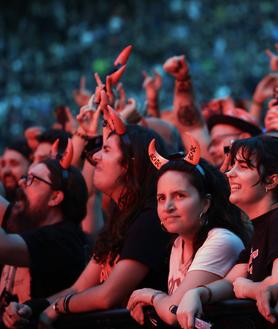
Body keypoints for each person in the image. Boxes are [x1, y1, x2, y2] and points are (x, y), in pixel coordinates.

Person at [3, 109, 170, 328]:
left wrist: (58, 308)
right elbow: (79, 288)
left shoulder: (149, 220)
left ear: (129, 164)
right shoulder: (120, 217)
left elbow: (107, 295)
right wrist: (32, 307)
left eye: (107, 150)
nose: (96, 157)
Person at [127, 134, 249, 326]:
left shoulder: (222, 240)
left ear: (206, 203)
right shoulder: (178, 244)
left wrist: (151, 296)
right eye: (161, 198)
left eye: (179, 195)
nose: (167, 207)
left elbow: (173, 312)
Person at [175, 135, 278, 329]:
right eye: (232, 165)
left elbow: (275, 285)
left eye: (243, 166)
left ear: (271, 180)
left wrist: (245, 287)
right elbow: (231, 282)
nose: (230, 173)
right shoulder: (261, 228)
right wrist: (196, 293)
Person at [0, 139, 89, 326]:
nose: (22, 183)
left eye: (32, 179)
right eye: (25, 177)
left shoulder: (64, 239)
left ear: (55, 197)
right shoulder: (29, 220)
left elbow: (3, 246)